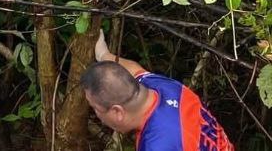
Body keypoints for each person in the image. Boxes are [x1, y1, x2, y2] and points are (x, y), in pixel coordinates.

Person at [82, 30, 233, 151]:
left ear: (118, 112)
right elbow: (134, 70)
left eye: (95, 108)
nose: (97, 115)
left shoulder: (157, 145)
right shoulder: (162, 87)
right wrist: (103, 55)